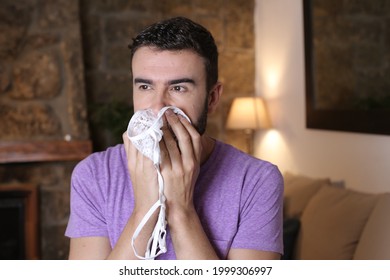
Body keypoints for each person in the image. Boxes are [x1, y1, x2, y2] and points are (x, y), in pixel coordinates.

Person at [65, 16, 284, 260]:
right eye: (145, 87)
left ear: (212, 98)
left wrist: (181, 211)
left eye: (178, 88)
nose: (158, 107)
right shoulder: (94, 175)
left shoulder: (256, 181)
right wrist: (145, 211)